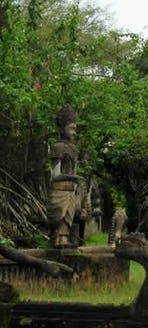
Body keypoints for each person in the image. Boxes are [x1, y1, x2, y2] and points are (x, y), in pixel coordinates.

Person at [47, 106, 90, 248]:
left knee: (67, 218)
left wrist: (77, 186)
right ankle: (56, 239)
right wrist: (73, 178)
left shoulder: (74, 149)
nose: (74, 133)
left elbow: (74, 172)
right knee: (59, 215)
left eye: (75, 129)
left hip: (70, 190)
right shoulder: (58, 147)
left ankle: (63, 239)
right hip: (59, 190)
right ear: (62, 128)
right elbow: (55, 175)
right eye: (71, 129)